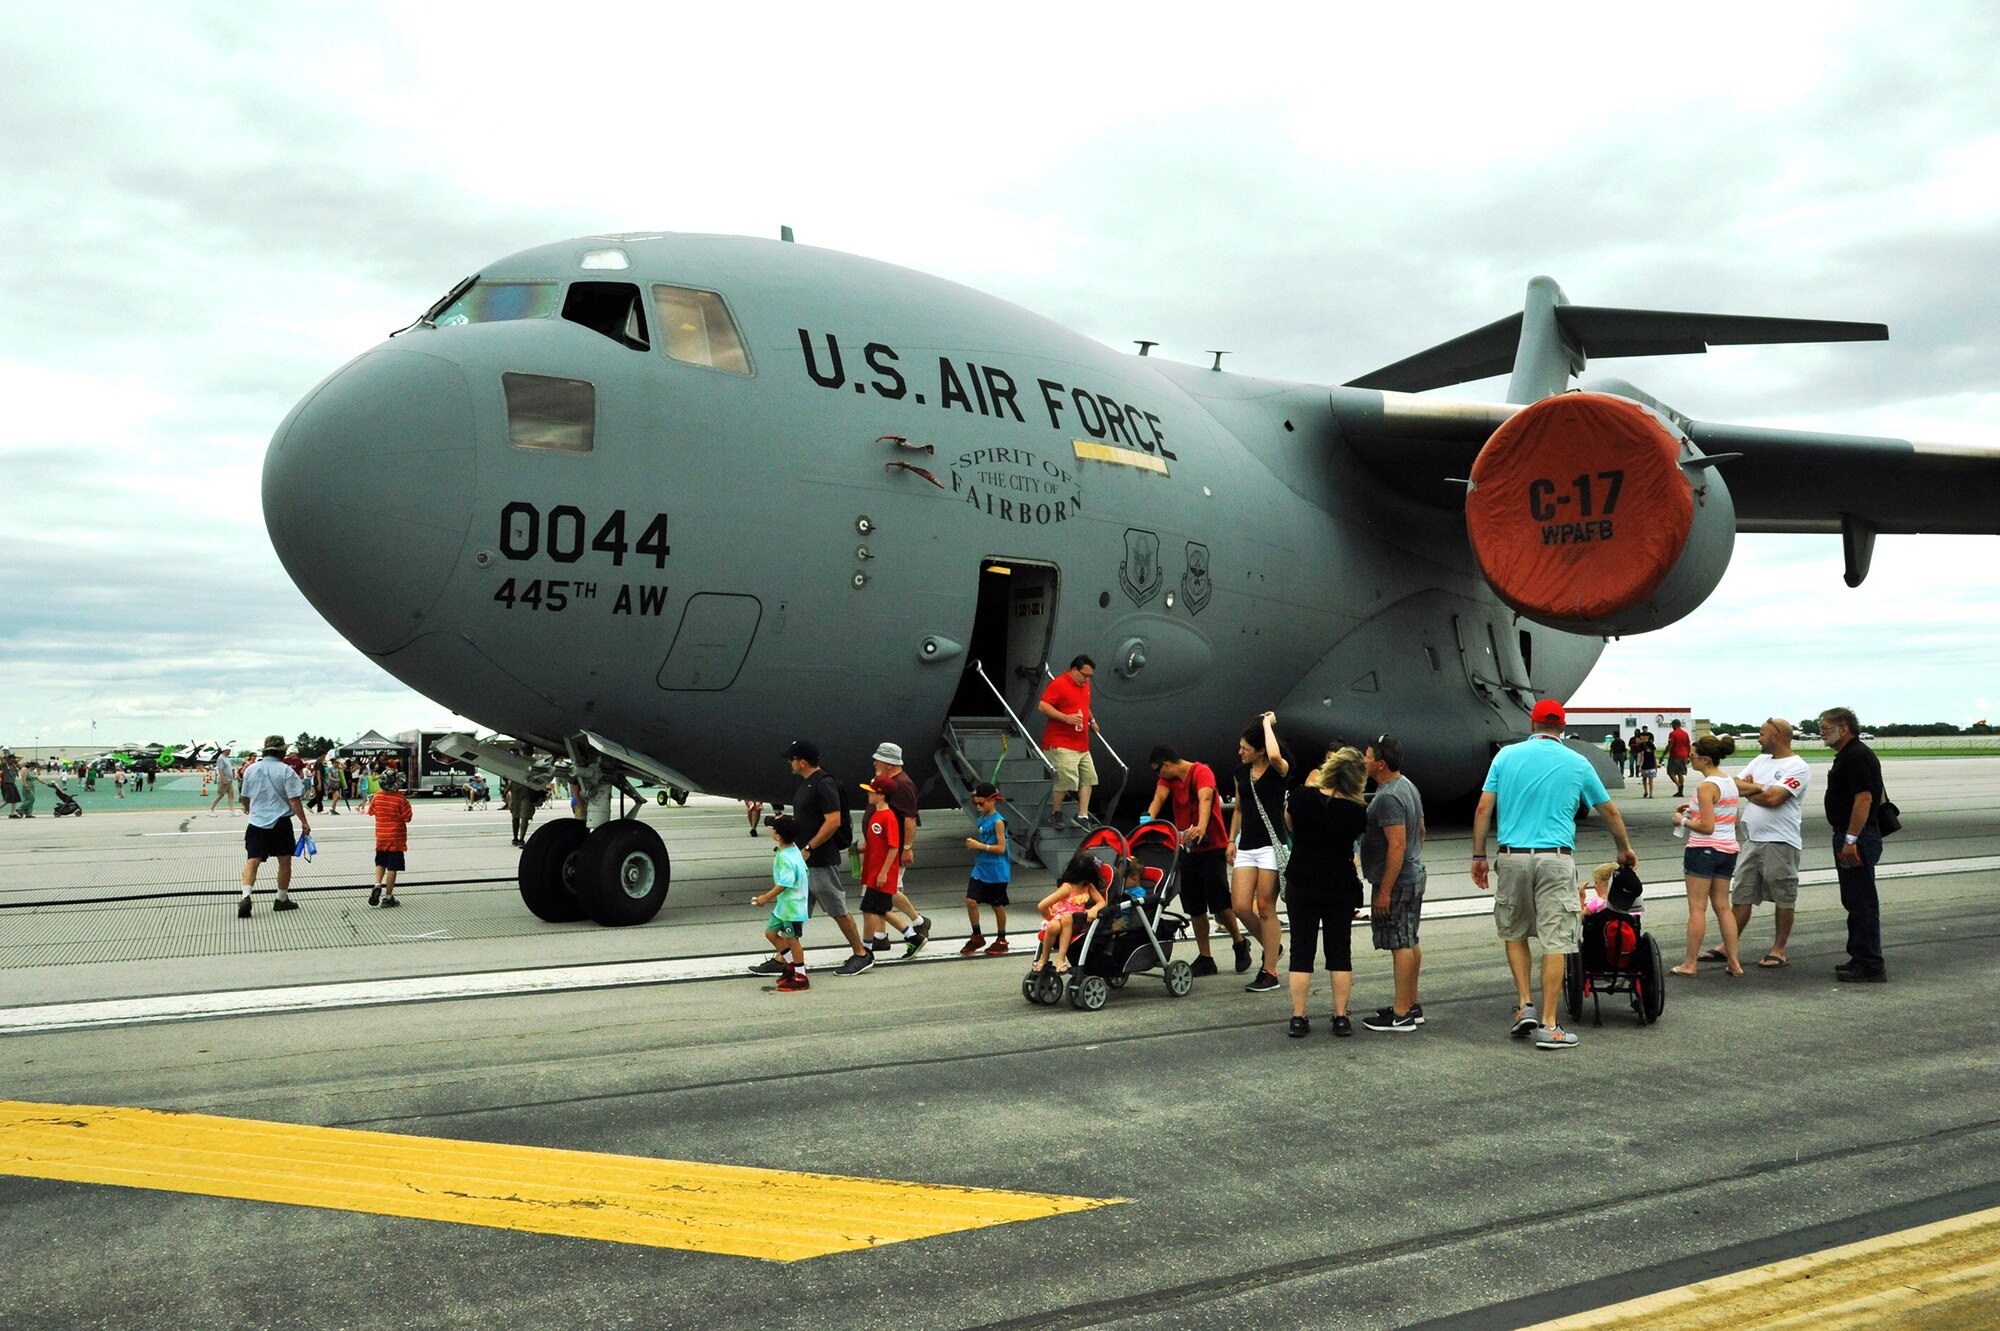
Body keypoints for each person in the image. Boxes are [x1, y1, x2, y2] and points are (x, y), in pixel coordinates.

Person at [1471, 700, 1638, 1050]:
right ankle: (1549, 1025)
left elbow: (1485, 805)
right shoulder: (1578, 762)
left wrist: (1478, 855)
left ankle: (1524, 1005)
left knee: (1514, 932)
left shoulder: (1505, 757)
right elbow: (1608, 809)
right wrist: (1623, 849)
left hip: (1512, 857)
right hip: (1555, 859)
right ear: (1561, 728)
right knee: (1556, 939)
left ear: (1532, 725)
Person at [1283, 747, 1367, 1037]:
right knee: (1340, 952)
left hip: (1302, 880)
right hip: (1339, 885)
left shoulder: (1300, 797)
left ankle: (1298, 1016)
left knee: (1301, 951)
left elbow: (1290, 826)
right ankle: (1341, 1016)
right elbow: (1353, 842)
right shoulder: (1358, 811)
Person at [1145, 746, 1250, 976]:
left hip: (1212, 845)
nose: (1158, 776)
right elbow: (1158, 799)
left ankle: (1240, 942)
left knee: (1220, 903)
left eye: (1157, 771)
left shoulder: (1201, 772)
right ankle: (1206, 957)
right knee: (1194, 905)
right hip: (1187, 847)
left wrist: (1202, 827)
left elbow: (1205, 798)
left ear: (1166, 765)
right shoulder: (1168, 780)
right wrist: (1146, 823)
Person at [784, 740, 873, 975]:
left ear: (802, 761)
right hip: (805, 860)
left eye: (791, 759)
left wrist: (810, 847)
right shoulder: (807, 784)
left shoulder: (824, 784)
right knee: (795, 910)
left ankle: (862, 954)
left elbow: (833, 821)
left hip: (820, 859)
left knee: (837, 908)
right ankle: (782, 957)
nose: (789, 763)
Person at [1729, 718, 1811, 968]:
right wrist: (1760, 788)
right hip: (1753, 839)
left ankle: (1779, 948)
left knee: (1783, 895)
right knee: (1741, 894)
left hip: (1780, 842)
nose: (1758, 738)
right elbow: (1732, 785)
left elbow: (1775, 798)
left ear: (1776, 736)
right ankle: (1729, 945)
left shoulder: (1798, 767)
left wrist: (1751, 790)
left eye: (1762, 734)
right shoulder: (1759, 761)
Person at [1360, 735, 1428, 1033]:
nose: (1364, 761)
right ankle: (1411, 1003)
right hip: (1413, 873)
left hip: (1397, 879)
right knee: (1410, 939)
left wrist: (1385, 890)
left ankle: (1401, 1015)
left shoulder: (1387, 797)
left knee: (1399, 942)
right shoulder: (1408, 786)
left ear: (1380, 764)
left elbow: (1396, 845)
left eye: (1367, 756)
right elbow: (1421, 831)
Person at [1820, 708, 1887, 982]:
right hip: (1852, 834)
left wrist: (1851, 839)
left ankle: (1870, 964)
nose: (1821, 732)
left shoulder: (1856, 755)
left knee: (1862, 901)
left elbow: (1865, 799)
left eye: (1825, 727)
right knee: (1854, 899)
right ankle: (1859, 956)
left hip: (1855, 837)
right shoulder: (1850, 755)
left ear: (1843, 728)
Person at [1228, 711, 1290, 993]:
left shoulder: (1278, 770)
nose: (1240, 752)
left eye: (1246, 748)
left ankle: (1270, 970)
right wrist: (1231, 841)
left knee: (1266, 907)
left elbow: (1276, 757)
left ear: (1261, 750)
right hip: (1247, 845)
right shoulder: (1240, 773)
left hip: (1270, 845)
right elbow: (1239, 808)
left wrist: (1266, 723)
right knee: (1240, 906)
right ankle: (1271, 945)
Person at [1670, 734, 1743, 976]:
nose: (1689, 760)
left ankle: (1690, 963)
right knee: (1723, 907)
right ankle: (1734, 961)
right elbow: (1728, 818)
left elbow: (1707, 826)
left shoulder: (1706, 786)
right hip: (1727, 849)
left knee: (1697, 909)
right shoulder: (1729, 783)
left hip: (1703, 849)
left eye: (1691, 756)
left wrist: (1683, 820)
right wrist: (1692, 810)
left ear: (1705, 759)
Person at [237, 734, 311, 918]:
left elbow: (245, 797)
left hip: (256, 822)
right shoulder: (286, 771)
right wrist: (304, 822)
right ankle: (281, 899)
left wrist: (248, 808)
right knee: (284, 861)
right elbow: (294, 800)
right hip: (280, 822)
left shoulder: (251, 769)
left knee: (252, 860)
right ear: (282, 752)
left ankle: (246, 896)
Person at [869, 742, 933, 952]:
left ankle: (917, 922)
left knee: (886, 890)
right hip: (881, 845)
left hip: (892, 847)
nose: (874, 762)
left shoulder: (902, 785)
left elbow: (909, 819)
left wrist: (907, 847)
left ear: (888, 763)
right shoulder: (888, 781)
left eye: (878, 759)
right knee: (882, 890)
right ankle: (880, 936)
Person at [750, 814, 812, 992]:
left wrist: (765, 897)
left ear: (778, 836)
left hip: (793, 907)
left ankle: (801, 976)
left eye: (774, 829)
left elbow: (785, 883)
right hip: (784, 906)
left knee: (792, 940)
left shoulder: (785, 857)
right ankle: (791, 965)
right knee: (771, 933)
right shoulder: (793, 850)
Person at [1036, 655, 1099, 828]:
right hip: (1060, 742)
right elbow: (1043, 706)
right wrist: (1065, 718)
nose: (1086, 679)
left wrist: (1092, 721)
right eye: (1084, 675)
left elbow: (1084, 705)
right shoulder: (1059, 684)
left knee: (1088, 777)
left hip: (1081, 743)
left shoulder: (1085, 685)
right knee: (1065, 778)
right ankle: (1056, 813)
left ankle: (1082, 815)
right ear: (1074, 670)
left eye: (1089, 677)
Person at [1031, 857, 1107, 975]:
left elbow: (1102, 902)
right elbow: (1042, 906)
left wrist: (1094, 909)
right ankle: (1044, 957)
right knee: (1054, 926)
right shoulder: (1067, 888)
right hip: (1060, 919)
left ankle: (1060, 958)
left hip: (1076, 923)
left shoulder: (1088, 887)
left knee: (1067, 918)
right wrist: (1051, 917)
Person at [961, 781, 1012, 955]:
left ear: (992, 801)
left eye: (981, 803)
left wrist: (979, 846)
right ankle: (977, 935)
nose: (978, 807)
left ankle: (1002, 939)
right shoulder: (982, 818)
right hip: (980, 868)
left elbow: (1001, 848)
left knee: (997, 905)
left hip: (996, 871)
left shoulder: (999, 822)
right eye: (976, 804)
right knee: (970, 901)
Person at [857, 781, 907, 957]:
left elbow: (894, 847)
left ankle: (866, 950)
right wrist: (862, 849)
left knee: (868, 909)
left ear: (881, 795)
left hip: (880, 873)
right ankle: (913, 937)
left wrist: (884, 872)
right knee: (880, 910)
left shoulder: (888, 816)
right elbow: (877, 843)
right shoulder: (876, 815)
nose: (868, 795)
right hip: (873, 871)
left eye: (871, 792)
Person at [365, 769, 414, 908]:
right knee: (393, 867)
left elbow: (371, 812)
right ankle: (388, 897)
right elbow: (407, 817)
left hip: (381, 837)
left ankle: (377, 884)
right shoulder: (400, 799)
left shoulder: (377, 796)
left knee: (380, 863)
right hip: (396, 838)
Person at [1665, 720, 1692, 798]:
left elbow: (1670, 745)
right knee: (1680, 773)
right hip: (1684, 755)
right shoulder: (1685, 734)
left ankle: (1678, 785)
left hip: (1675, 756)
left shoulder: (1672, 734)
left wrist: (1664, 755)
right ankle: (1680, 791)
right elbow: (1688, 745)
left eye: (1672, 725)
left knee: (1670, 772)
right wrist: (1689, 756)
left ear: (1674, 725)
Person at [208, 747, 239, 816]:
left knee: (231, 795)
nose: (230, 751)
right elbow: (220, 769)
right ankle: (211, 810)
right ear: (224, 750)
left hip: (229, 780)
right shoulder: (221, 758)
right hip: (224, 780)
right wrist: (223, 779)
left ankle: (231, 811)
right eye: (229, 750)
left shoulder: (226, 758)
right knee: (220, 795)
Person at [1633, 730, 1659, 798]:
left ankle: (1645, 791)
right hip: (1652, 767)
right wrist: (1656, 767)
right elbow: (1655, 760)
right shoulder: (1653, 752)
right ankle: (1651, 794)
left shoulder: (1643, 752)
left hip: (1645, 767)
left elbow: (1642, 760)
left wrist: (1640, 767)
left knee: (1644, 780)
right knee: (1651, 781)